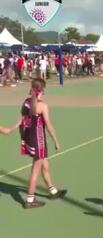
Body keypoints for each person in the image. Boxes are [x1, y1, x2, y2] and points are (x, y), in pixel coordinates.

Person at [20, 79, 67, 208]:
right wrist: (56, 141)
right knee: (35, 170)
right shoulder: (42, 106)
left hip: (29, 138)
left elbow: (23, 122)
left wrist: (23, 138)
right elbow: (49, 125)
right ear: (41, 91)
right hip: (38, 140)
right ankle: (30, 200)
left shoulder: (26, 103)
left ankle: (52, 191)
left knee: (45, 163)